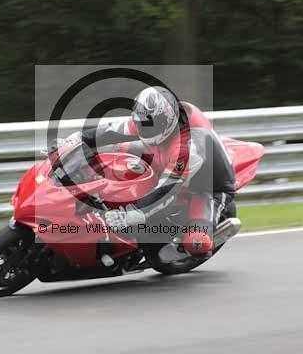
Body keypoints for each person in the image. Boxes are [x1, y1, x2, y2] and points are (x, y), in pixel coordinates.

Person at [50, 86, 240, 263]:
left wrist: (131, 215)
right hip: (163, 156)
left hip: (207, 187)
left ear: (167, 121)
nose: (143, 129)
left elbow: (166, 194)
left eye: (149, 126)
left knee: (197, 243)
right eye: (141, 124)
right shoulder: (150, 120)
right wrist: (75, 140)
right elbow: (109, 131)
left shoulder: (188, 148)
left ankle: (200, 239)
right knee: (116, 150)